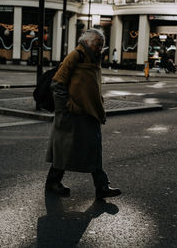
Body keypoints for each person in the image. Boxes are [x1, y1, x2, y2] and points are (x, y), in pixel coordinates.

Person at [45, 28, 122, 199]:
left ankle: (102, 185)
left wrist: (98, 103)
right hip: (72, 112)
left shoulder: (94, 59)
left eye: (101, 46)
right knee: (65, 149)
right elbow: (57, 83)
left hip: (89, 111)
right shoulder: (76, 55)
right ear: (86, 42)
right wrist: (63, 109)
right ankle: (53, 182)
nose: (99, 48)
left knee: (93, 149)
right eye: (97, 45)